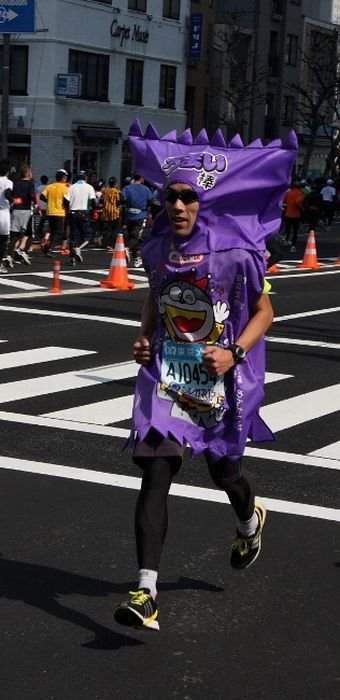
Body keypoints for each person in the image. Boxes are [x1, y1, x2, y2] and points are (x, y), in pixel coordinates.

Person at [113, 121, 297, 631]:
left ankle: (247, 519)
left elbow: (265, 313)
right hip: (168, 371)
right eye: (170, 196)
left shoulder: (235, 250)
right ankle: (146, 591)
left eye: (187, 198)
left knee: (225, 472)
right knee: (155, 470)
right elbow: (154, 295)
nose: (177, 206)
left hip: (220, 375)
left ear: (203, 203)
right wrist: (146, 336)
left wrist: (233, 354)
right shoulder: (154, 248)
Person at [63, 170, 96, 265]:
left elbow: (65, 201)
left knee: (73, 236)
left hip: (73, 213)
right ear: (85, 178)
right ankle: (78, 249)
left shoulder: (71, 187)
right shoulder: (89, 187)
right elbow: (93, 201)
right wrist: (93, 211)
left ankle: (72, 259)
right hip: (84, 213)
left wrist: (69, 209)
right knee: (88, 235)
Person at [121, 173, 153, 267]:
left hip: (129, 214)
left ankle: (136, 259)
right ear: (142, 178)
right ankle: (127, 248)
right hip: (140, 215)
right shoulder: (146, 189)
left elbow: (122, 200)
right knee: (136, 236)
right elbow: (150, 201)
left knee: (132, 235)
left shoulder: (127, 188)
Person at [8, 163, 36, 266]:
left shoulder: (15, 184)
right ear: (28, 173)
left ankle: (9, 255)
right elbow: (32, 196)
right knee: (29, 234)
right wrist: (36, 203)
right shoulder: (30, 184)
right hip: (26, 210)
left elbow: (11, 196)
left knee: (14, 235)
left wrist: (16, 201)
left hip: (16, 210)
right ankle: (21, 251)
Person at [40, 169, 68, 256]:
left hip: (50, 211)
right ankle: (50, 248)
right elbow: (67, 201)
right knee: (59, 232)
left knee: (52, 230)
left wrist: (48, 201)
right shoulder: (65, 188)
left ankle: (46, 246)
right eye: (65, 177)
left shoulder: (49, 186)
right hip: (60, 212)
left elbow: (41, 196)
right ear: (63, 178)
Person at [282, 180, 304, 252]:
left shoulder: (289, 193)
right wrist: (301, 208)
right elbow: (298, 202)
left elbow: (284, 201)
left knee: (288, 229)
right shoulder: (299, 193)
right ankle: (293, 246)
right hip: (296, 215)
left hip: (288, 213)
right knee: (295, 231)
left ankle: (286, 240)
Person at [0, 160, 13, 273]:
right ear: (8, 172)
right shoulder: (8, 182)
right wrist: (12, 201)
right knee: (4, 240)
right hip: (3, 213)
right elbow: (7, 193)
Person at [101, 177, 121, 250]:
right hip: (114, 213)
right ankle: (112, 244)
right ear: (115, 184)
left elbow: (101, 200)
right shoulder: (116, 191)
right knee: (114, 230)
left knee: (106, 229)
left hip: (106, 212)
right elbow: (119, 201)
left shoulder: (105, 190)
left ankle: (105, 244)